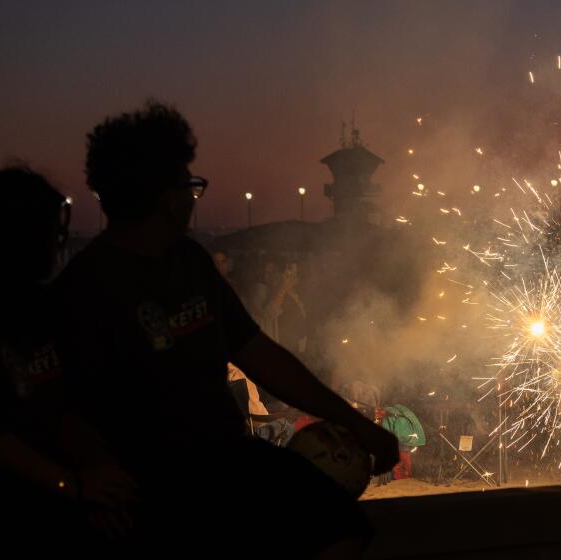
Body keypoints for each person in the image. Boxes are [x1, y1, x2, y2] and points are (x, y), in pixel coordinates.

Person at [56, 100, 398, 557]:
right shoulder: (87, 286)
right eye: (187, 184)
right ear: (162, 195)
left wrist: (356, 422)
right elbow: (60, 401)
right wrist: (91, 467)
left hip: (223, 457)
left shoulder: (190, 263)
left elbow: (259, 354)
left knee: (340, 526)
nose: (192, 198)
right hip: (148, 480)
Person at [0, 167, 136, 557]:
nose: (60, 243)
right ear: (18, 236)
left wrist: (95, 473)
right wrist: (70, 486)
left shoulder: (39, 308)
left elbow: (62, 403)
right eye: (52, 232)